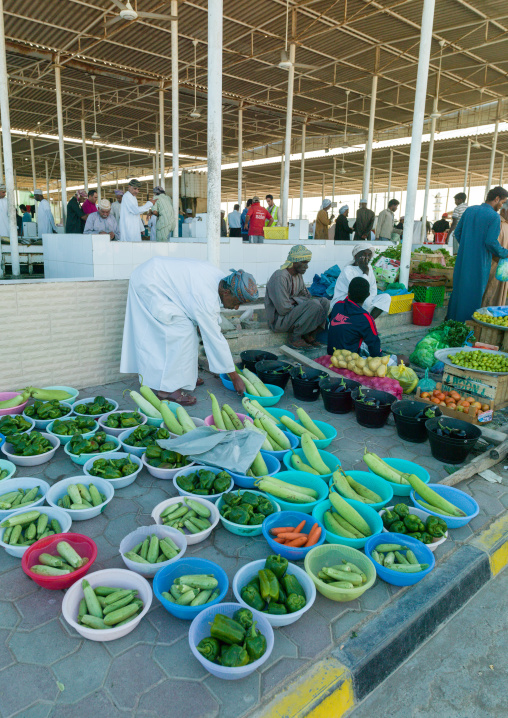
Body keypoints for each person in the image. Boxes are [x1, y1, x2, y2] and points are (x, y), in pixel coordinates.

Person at [120, 260, 258, 405]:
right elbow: (215, 339)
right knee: (181, 332)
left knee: (188, 330)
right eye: (237, 302)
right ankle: (166, 391)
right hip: (150, 282)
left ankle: (185, 379)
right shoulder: (207, 298)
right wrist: (235, 377)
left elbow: (203, 311)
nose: (236, 308)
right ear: (226, 292)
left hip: (156, 275)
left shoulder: (223, 281)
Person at [447, 187, 508, 322]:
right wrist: (505, 253)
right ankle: (465, 327)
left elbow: (457, 233)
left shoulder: (470, 210)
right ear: (496, 198)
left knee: (458, 291)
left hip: (463, 260)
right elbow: (491, 242)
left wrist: (468, 245)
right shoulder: (494, 217)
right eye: (502, 202)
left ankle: (450, 322)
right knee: (473, 295)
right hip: (479, 263)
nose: (501, 205)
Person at [264, 245, 329, 349]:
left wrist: (295, 301)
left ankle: (309, 334)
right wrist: (300, 303)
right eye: (303, 262)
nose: (306, 266)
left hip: (291, 314)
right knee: (314, 305)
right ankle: (295, 337)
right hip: (279, 320)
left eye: (307, 263)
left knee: (325, 302)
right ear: (294, 261)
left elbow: (307, 296)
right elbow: (283, 308)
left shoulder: (298, 275)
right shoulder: (280, 276)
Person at [331, 245, 391, 319]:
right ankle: (362, 321)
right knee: (365, 301)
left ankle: (368, 321)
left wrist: (368, 300)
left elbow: (373, 289)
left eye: (369, 255)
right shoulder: (348, 270)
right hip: (346, 302)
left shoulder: (369, 268)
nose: (367, 258)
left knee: (386, 298)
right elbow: (357, 292)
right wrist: (365, 272)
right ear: (356, 256)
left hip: (364, 301)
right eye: (363, 255)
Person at [328, 277, 381, 357]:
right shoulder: (365, 318)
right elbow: (374, 348)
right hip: (349, 361)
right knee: (401, 359)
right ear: (368, 295)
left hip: (331, 354)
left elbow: (330, 318)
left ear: (348, 293)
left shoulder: (337, 305)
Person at [482, 199, 508, 307]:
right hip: (494, 266)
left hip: (504, 268)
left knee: (500, 295)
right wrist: (501, 260)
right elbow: (491, 245)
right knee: (490, 294)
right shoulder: (497, 222)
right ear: (503, 211)